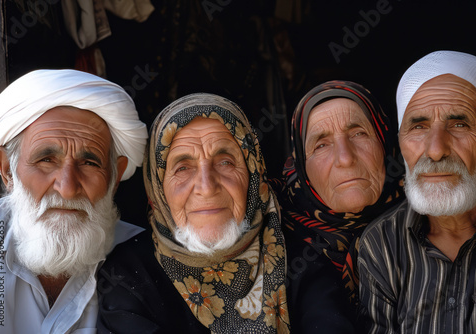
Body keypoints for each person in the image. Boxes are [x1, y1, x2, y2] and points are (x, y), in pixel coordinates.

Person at [97, 93, 353, 333]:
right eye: (183, 167)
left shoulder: (302, 265)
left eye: (225, 162)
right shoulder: (127, 275)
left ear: (253, 177)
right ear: (158, 189)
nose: (207, 187)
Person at [0, 69, 148, 333]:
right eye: (46, 160)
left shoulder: (147, 262)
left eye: (89, 163)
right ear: (8, 170)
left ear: (115, 176)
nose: (67, 188)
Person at [358, 50, 476, 333]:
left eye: (459, 124)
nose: (436, 149)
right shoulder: (383, 243)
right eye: (418, 126)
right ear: (401, 144)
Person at [272, 80, 404, 315]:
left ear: (386, 143)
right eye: (321, 145)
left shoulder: (434, 225)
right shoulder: (276, 250)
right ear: (301, 168)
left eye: (359, 133)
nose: (345, 157)